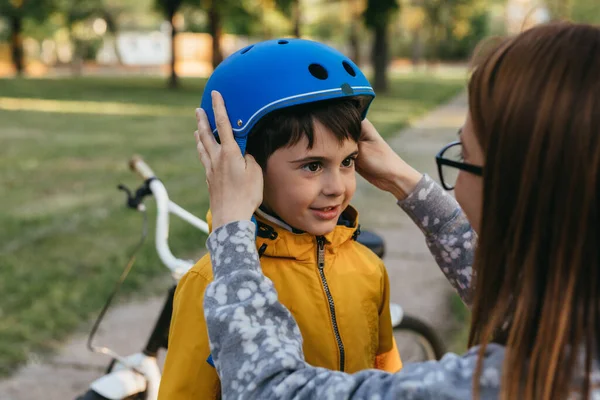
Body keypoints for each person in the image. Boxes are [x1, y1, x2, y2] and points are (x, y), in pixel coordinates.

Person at [196, 22, 600, 399]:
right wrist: (404, 182)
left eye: (462, 158)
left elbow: (273, 389)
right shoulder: (578, 321)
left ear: (524, 190)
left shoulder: (523, 381)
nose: (455, 185)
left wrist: (231, 230)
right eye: (314, 164)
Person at [159, 39, 402, 400]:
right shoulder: (212, 284)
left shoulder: (368, 268)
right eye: (313, 166)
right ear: (246, 168)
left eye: (347, 161)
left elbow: (386, 373)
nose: (337, 187)